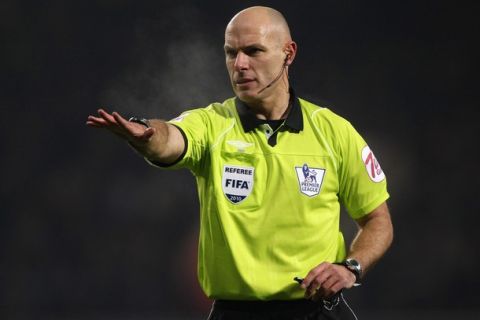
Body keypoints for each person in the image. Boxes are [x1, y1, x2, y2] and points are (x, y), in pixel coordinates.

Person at [86, 6, 393, 320]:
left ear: (289, 53)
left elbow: (377, 220)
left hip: (316, 312)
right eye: (231, 53)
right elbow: (170, 139)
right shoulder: (212, 124)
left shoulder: (333, 131)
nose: (240, 64)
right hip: (237, 313)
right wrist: (147, 135)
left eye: (253, 51)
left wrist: (351, 268)